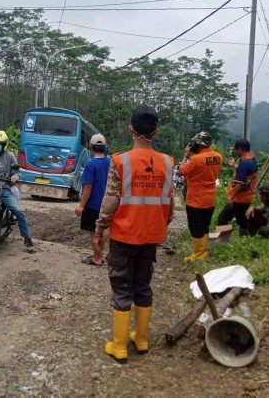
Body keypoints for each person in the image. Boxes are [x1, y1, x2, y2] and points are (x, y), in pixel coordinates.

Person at [95, 104, 174, 363]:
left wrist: (100, 228)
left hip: (124, 236)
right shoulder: (168, 162)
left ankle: (119, 345)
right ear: (157, 131)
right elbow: (170, 203)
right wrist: (160, 223)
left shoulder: (120, 160)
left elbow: (111, 200)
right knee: (143, 285)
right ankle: (141, 340)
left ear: (131, 129)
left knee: (122, 285)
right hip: (151, 236)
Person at [179, 131, 223, 261]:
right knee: (205, 226)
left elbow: (182, 170)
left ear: (199, 144)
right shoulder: (218, 156)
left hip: (196, 199)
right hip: (209, 198)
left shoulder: (196, 159)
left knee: (195, 227)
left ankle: (198, 255)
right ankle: (204, 251)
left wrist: (186, 155)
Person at [74, 133, 110, 267]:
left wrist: (81, 205)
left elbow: (88, 186)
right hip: (107, 204)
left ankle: (97, 258)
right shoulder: (110, 161)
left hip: (93, 204)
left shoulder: (91, 164)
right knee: (103, 230)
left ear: (91, 147)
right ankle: (100, 255)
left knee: (94, 232)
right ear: (104, 147)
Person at [217, 139, 258, 236]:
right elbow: (245, 174)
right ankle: (246, 240)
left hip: (239, 199)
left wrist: (231, 198)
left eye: (236, 149)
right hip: (247, 197)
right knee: (242, 220)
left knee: (222, 218)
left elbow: (239, 184)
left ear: (240, 149)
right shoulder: (252, 159)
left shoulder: (245, 163)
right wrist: (234, 165)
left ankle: (222, 243)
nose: (235, 152)